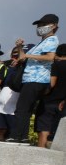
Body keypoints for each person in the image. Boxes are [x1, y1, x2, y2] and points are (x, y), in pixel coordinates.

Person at [11, 13, 59, 144]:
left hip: (37, 79)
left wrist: (28, 57)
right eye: (39, 25)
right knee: (24, 109)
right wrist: (20, 47)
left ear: (53, 26)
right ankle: (22, 136)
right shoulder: (41, 43)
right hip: (30, 79)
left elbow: (50, 57)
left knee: (22, 108)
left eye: (43, 25)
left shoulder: (52, 40)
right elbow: (22, 57)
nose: (40, 27)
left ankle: (17, 136)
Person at [0, 46, 24, 142]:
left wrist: (18, 64)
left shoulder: (24, 68)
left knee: (8, 134)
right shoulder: (6, 67)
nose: (15, 55)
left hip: (13, 109)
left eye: (18, 53)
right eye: (13, 53)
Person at [36, 43, 66, 149]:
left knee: (44, 130)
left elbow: (51, 84)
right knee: (57, 134)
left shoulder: (55, 65)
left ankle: (40, 157)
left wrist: (39, 93)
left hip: (49, 102)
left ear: (57, 54)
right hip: (63, 104)